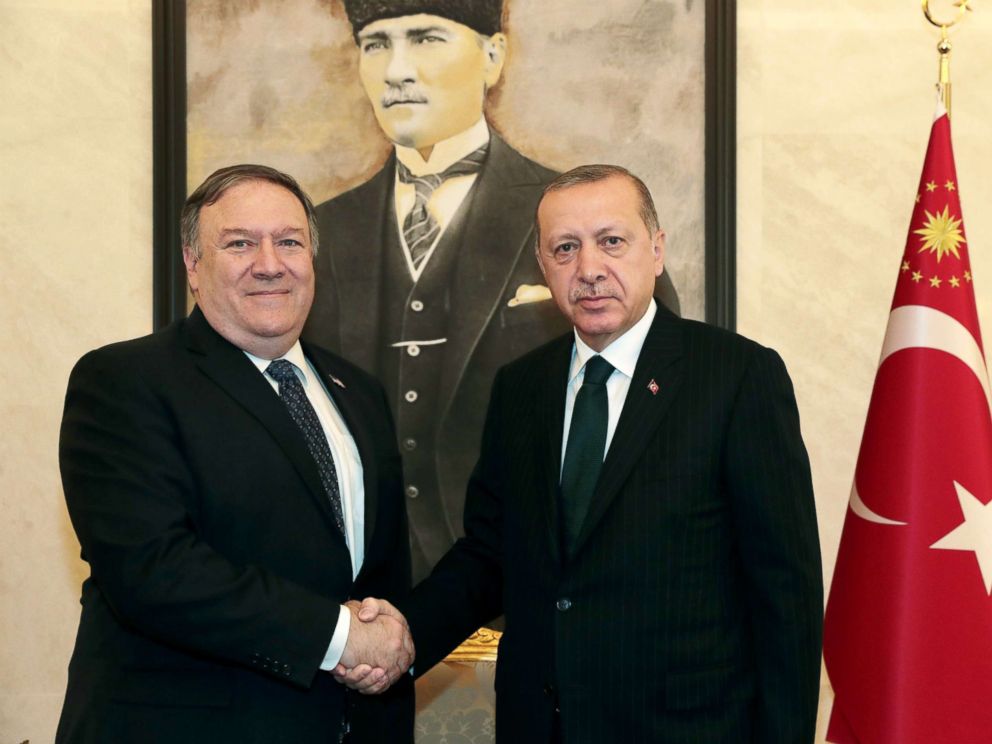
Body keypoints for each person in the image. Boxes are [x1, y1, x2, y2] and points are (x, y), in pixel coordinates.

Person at [342, 165, 823, 743]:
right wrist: (406, 632)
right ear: (543, 267)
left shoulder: (737, 376)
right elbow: (490, 555)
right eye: (565, 248)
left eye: (612, 241)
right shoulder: (521, 387)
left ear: (657, 249)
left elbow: (785, 595)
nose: (589, 269)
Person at [303, 0, 680, 582]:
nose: (396, 69)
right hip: (366, 587)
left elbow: (655, 420)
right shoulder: (319, 234)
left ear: (493, 55)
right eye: (376, 43)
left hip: (542, 581)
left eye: (426, 38)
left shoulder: (574, 219)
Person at [56, 165, 415, 743]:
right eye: (240, 243)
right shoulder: (124, 381)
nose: (269, 263)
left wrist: (386, 644)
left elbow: (379, 575)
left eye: (289, 242)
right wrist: (339, 636)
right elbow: (152, 570)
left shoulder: (360, 392)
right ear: (193, 266)